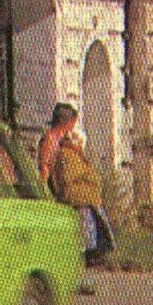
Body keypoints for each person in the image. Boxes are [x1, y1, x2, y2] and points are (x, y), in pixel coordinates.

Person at [45, 113, 111, 264]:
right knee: (88, 226)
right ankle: (88, 255)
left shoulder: (74, 155)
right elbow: (68, 178)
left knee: (94, 224)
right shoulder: (68, 155)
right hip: (79, 198)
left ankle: (94, 253)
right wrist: (87, 182)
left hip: (85, 197)